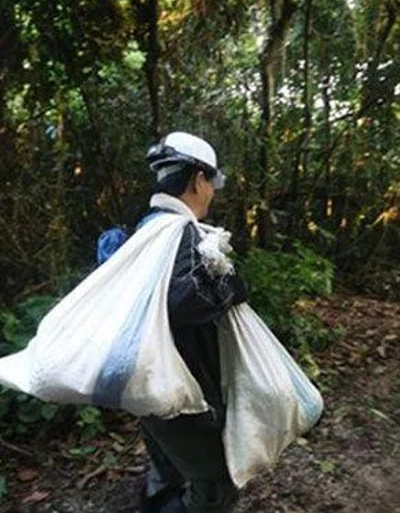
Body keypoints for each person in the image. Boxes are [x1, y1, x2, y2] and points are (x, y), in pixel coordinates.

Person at [131, 132, 247, 513]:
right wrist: (230, 286)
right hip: (178, 388)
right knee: (215, 484)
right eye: (211, 182)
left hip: (144, 380)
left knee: (167, 471)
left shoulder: (145, 229)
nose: (212, 192)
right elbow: (179, 301)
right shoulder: (179, 233)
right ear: (198, 179)